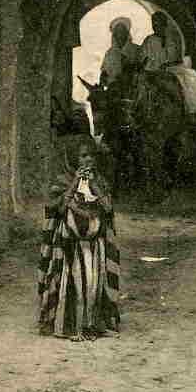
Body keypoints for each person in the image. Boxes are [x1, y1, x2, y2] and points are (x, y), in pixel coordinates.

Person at [37, 135, 120, 341]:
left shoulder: (99, 181)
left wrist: (94, 185)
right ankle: (72, 326)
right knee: (72, 282)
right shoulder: (63, 181)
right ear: (74, 158)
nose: (88, 160)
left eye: (91, 155)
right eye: (83, 156)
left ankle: (92, 324)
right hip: (70, 247)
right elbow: (60, 207)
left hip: (95, 246)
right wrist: (75, 182)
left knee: (94, 283)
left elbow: (108, 208)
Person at [100, 18, 143, 86]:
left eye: (122, 31)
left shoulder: (136, 49)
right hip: (114, 90)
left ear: (127, 33)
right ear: (114, 35)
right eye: (117, 32)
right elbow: (104, 74)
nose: (120, 35)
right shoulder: (109, 53)